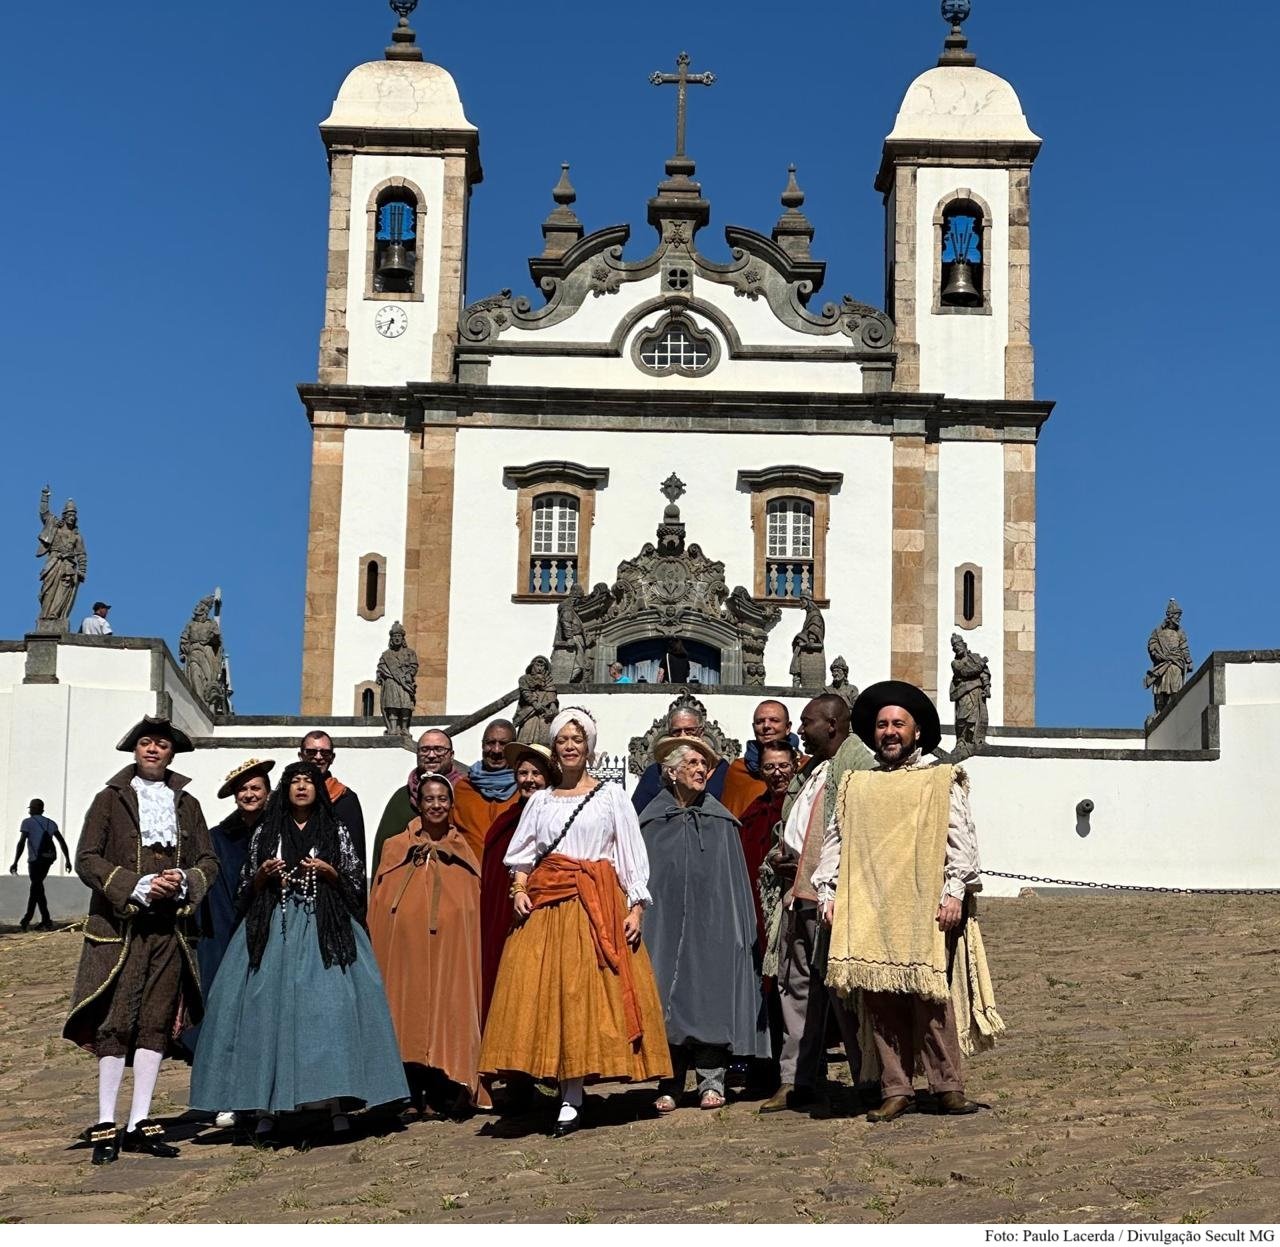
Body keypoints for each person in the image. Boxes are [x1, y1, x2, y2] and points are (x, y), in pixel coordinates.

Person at [480, 707, 671, 1137]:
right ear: (554, 748)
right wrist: (519, 891)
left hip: (596, 905)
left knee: (583, 996)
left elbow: (629, 854)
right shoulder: (542, 801)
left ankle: (574, 1094)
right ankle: (560, 1086)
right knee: (546, 997)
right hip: (548, 908)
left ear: (589, 747)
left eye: (577, 739)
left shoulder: (610, 797)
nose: (569, 746)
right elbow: (522, 856)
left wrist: (636, 907)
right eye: (563, 740)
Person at [190, 762, 407, 1137]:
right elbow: (246, 884)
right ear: (285, 789)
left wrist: (328, 871)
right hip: (275, 928)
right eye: (295, 781)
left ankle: (335, 1100)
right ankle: (263, 1104)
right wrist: (263, 875)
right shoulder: (266, 830)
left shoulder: (334, 828)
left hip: (326, 929)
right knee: (264, 1010)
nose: (302, 787)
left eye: (309, 781)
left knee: (330, 1012)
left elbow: (355, 881)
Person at [821, 680, 1003, 1123]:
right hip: (869, 904)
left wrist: (955, 892)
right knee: (880, 1000)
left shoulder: (940, 779)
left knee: (929, 997)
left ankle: (947, 1085)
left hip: (924, 906)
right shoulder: (856, 785)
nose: (889, 731)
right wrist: (828, 890)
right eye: (882, 724)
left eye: (898, 723)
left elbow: (961, 841)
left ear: (916, 731)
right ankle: (895, 1087)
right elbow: (836, 842)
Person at [63, 716, 219, 1166]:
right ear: (135, 750)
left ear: (172, 753)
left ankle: (141, 1123)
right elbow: (87, 858)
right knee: (115, 1024)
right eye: (146, 743)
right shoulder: (109, 801)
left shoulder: (187, 804)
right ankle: (106, 1123)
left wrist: (184, 879)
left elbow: (208, 860)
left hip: (170, 930)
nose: (153, 750)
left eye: (162, 745)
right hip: (120, 930)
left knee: (154, 1022)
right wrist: (135, 884)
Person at [640, 738, 768, 1112]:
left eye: (705, 765)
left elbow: (734, 885)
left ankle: (712, 1080)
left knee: (709, 996)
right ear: (672, 770)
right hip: (663, 926)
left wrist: (738, 930)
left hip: (712, 927)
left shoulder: (720, 821)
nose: (701, 771)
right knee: (666, 997)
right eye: (693, 763)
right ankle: (671, 1081)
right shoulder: (650, 821)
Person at [759, 694, 872, 1114]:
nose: (798, 730)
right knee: (796, 988)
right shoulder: (812, 771)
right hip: (799, 894)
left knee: (845, 993)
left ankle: (869, 1079)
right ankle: (795, 1079)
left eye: (805, 722)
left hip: (835, 897)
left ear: (831, 723)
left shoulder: (857, 766)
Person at [369, 771, 484, 1118]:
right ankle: (406, 1092)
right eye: (429, 799)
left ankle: (444, 1089)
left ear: (451, 805)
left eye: (442, 799)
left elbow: (470, 904)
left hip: (449, 950)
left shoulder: (462, 850)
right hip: (405, 952)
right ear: (418, 803)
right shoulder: (395, 847)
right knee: (405, 1011)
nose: (436, 805)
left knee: (446, 1009)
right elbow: (380, 900)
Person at [180, 758, 274, 1075]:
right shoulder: (216, 839)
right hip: (225, 932)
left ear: (268, 792)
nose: (249, 794)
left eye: (255, 788)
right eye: (243, 789)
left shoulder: (280, 832)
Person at [480, 742, 558, 1027]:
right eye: (523, 773)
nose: (529, 780)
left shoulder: (558, 820)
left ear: (548, 778)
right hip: (506, 918)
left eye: (536, 773)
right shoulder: (505, 822)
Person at [735, 739, 797, 1093]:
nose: (777, 774)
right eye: (770, 767)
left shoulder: (801, 808)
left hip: (795, 910)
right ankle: (765, 1067)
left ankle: (802, 1068)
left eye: (783, 766)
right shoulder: (754, 813)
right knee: (765, 989)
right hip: (760, 913)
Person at [371, 729, 466, 875]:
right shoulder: (402, 798)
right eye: (425, 750)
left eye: (439, 749)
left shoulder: (466, 794)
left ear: (451, 755)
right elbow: (383, 853)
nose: (431, 755)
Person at [630, 702, 729, 813]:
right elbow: (636, 816)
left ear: (701, 732)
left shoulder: (723, 771)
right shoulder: (655, 772)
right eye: (676, 732)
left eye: (689, 731)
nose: (683, 736)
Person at [719, 699, 805, 818]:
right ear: (754, 727)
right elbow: (728, 819)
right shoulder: (739, 769)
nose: (766, 726)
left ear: (788, 727)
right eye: (760, 722)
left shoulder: (806, 767)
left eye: (774, 720)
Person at [452, 719, 519, 863]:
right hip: (469, 876)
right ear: (482, 745)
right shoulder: (463, 789)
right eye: (490, 743)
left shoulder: (524, 790)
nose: (496, 750)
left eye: (503, 744)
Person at [298, 730, 365, 867]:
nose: (318, 757)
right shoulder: (286, 795)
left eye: (325, 753)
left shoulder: (345, 798)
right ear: (301, 756)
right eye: (311, 752)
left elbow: (356, 854)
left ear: (332, 758)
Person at [10, 798, 71, 931]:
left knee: (36, 887)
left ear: (34, 809)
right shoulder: (51, 823)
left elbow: (21, 843)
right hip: (48, 859)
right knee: (37, 887)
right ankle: (44, 920)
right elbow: (62, 842)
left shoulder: (27, 823)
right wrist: (67, 860)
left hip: (35, 860)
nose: (30, 811)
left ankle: (28, 920)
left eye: (31, 808)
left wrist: (15, 862)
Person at [1144, 598, 1193, 718]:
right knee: (1160, 689)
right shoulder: (1158, 632)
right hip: (1163, 664)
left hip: (1176, 664)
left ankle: (1174, 708)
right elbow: (1152, 644)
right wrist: (1157, 654)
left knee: (1175, 689)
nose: (1179, 618)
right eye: (1177, 615)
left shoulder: (1180, 632)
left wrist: (1188, 660)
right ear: (1170, 615)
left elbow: (1184, 648)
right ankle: (1159, 712)